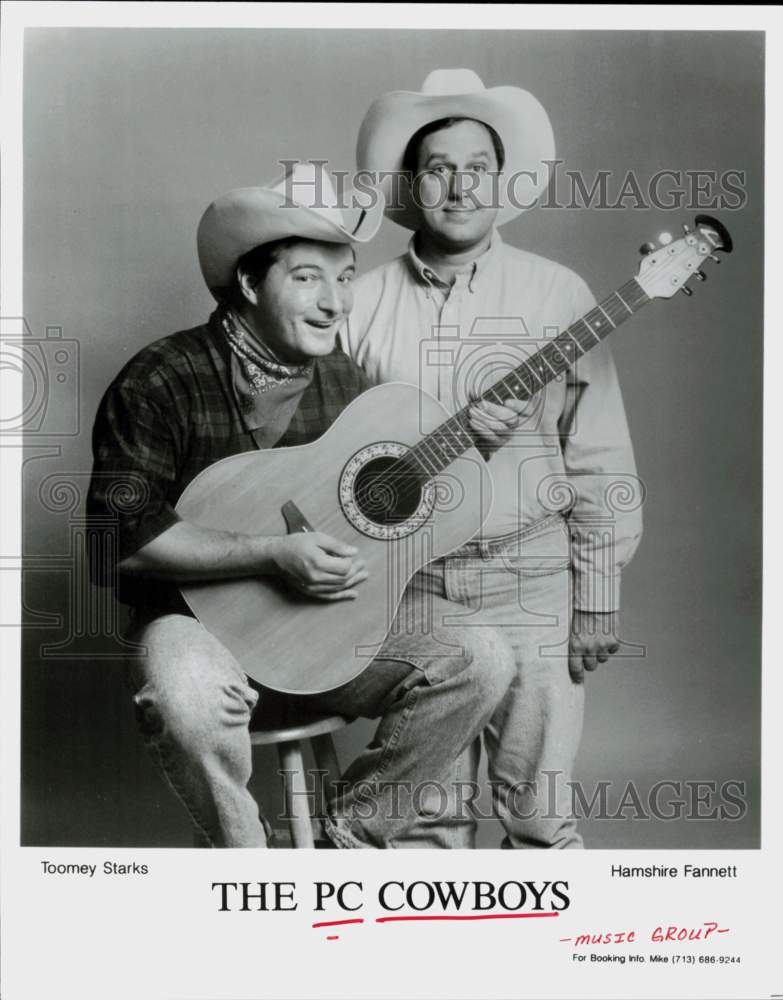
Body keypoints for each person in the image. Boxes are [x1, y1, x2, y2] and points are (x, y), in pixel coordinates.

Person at [86, 162, 517, 848]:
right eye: (307, 277)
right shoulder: (161, 377)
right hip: (196, 630)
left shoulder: (345, 383)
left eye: (344, 277)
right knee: (187, 700)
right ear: (251, 283)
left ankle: (347, 840)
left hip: (324, 640)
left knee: (480, 656)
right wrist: (271, 554)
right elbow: (123, 541)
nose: (334, 303)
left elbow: (384, 506)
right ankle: (250, 864)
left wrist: (473, 444)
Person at [342, 69, 644, 848]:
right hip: (410, 588)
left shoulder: (557, 293)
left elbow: (599, 454)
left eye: (476, 166)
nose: (459, 185)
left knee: (538, 818)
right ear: (412, 182)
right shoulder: (358, 302)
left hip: (531, 575)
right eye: (439, 167)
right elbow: (323, 455)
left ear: (500, 181)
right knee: (423, 825)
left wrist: (598, 589)